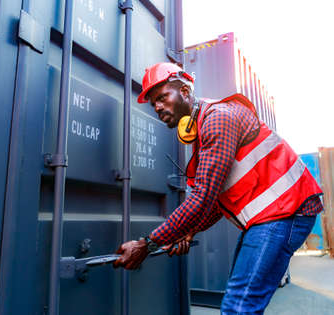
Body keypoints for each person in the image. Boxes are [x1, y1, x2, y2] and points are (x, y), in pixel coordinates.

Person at [113, 62, 323, 314]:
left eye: (162, 97)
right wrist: (188, 231)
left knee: (239, 306)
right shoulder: (203, 131)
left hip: (287, 212)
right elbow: (216, 203)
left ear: (186, 92)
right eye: (153, 103)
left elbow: (201, 198)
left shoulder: (217, 119)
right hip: (272, 216)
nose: (157, 107)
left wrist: (147, 244)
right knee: (239, 303)